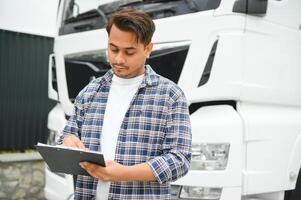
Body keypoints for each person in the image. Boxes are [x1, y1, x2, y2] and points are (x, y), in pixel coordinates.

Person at [58, 8, 192, 199]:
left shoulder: (170, 96)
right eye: (113, 49)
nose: (118, 59)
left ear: (148, 49)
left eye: (129, 52)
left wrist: (124, 174)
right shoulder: (89, 91)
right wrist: (67, 141)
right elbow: (66, 135)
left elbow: (180, 160)